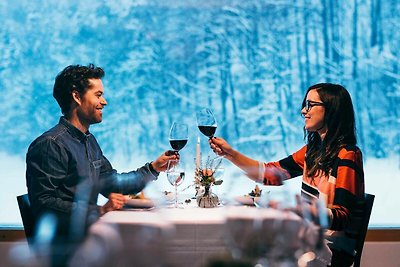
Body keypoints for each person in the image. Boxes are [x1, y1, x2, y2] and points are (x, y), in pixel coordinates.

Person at [25, 64, 178, 265]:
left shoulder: (88, 140)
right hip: (68, 253)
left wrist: (153, 168)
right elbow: (44, 204)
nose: (104, 102)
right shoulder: (50, 145)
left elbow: (113, 183)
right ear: (77, 97)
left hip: (90, 243)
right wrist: (98, 211)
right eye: (98, 95)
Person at [209, 83, 364, 267]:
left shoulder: (347, 155)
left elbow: (342, 218)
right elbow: (269, 174)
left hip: (329, 253)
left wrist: (298, 209)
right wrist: (230, 154)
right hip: (307, 240)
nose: (303, 111)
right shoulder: (312, 152)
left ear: (331, 108)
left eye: (310, 105)